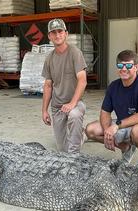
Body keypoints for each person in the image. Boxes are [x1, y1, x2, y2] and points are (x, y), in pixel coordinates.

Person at [85, 50, 138, 168]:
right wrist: (108, 131)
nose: (124, 69)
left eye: (129, 66)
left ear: (136, 67)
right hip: (121, 124)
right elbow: (105, 112)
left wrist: (116, 126)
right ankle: (125, 147)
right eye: (120, 65)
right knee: (91, 130)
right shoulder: (113, 86)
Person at [41, 18, 88, 153]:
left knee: (74, 115)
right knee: (62, 149)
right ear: (49, 36)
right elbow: (48, 86)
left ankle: (74, 156)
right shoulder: (49, 58)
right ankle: (81, 135)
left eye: (60, 31)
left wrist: (72, 103)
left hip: (75, 103)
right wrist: (44, 110)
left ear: (66, 34)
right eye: (53, 32)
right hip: (58, 107)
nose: (57, 35)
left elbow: (82, 80)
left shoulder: (75, 53)